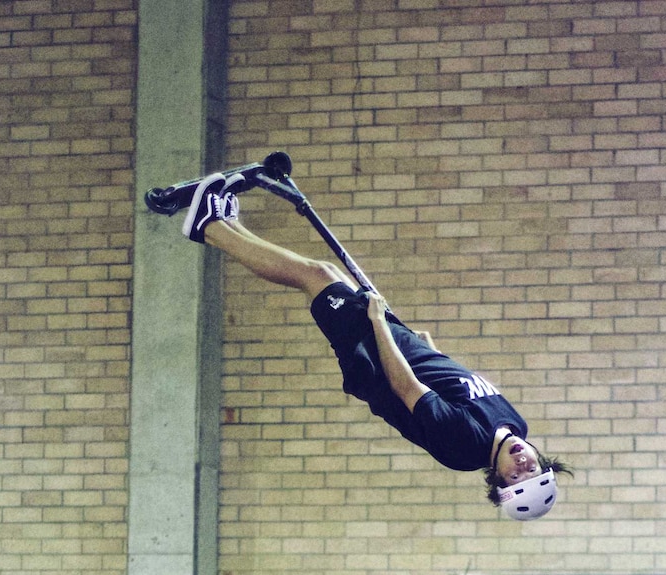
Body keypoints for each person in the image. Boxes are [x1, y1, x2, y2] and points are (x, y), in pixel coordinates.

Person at [171, 172, 572, 520]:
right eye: (534, 469)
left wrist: (379, 325)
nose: (523, 463)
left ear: (498, 478)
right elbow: (453, 385)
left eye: (516, 477)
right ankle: (224, 221)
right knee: (323, 272)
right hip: (401, 346)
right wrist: (429, 350)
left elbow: (405, 388)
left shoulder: (465, 447)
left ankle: (209, 227)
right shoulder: (514, 424)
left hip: (375, 362)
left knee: (314, 276)